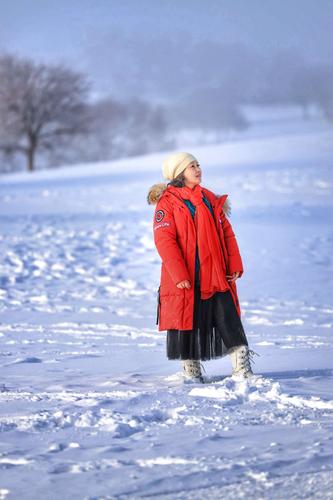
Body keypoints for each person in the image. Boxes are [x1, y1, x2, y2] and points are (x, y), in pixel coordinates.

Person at [147, 152, 259, 383]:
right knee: (187, 322)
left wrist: (234, 263)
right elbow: (164, 240)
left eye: (198, 164)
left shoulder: (209, 198)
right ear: (179, 173)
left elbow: (226, 233)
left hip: (216, 274)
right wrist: (178, 274)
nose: (198, 169)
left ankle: (242, 369)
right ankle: (191, 371)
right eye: (191, 166)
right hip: (186, 276)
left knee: (229, 318)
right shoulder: (167, 203)